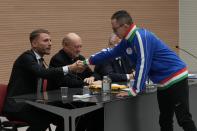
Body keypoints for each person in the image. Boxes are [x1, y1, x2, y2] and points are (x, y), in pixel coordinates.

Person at [80, 10, 197, 131]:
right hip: (163, 81)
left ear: (125, 26)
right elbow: (110, 53)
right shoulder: (127, 40)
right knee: (164, 120)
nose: (114, 32)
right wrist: (86, 62)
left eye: (115, 29)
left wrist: (134, 90)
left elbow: (143, 63)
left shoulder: (141, 36)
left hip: (175, 76)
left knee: (183, 118)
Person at [3, 29, 83, 131]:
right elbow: (43, 73)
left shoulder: (39, 60)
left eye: (50, 40)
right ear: (34, 43)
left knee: (68, 116)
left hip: (33, 103)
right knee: (43, 120)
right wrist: (69, 68)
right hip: (18, 105)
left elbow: (51, 74)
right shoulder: (26, 58)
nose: (50, 44)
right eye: (46, 41)